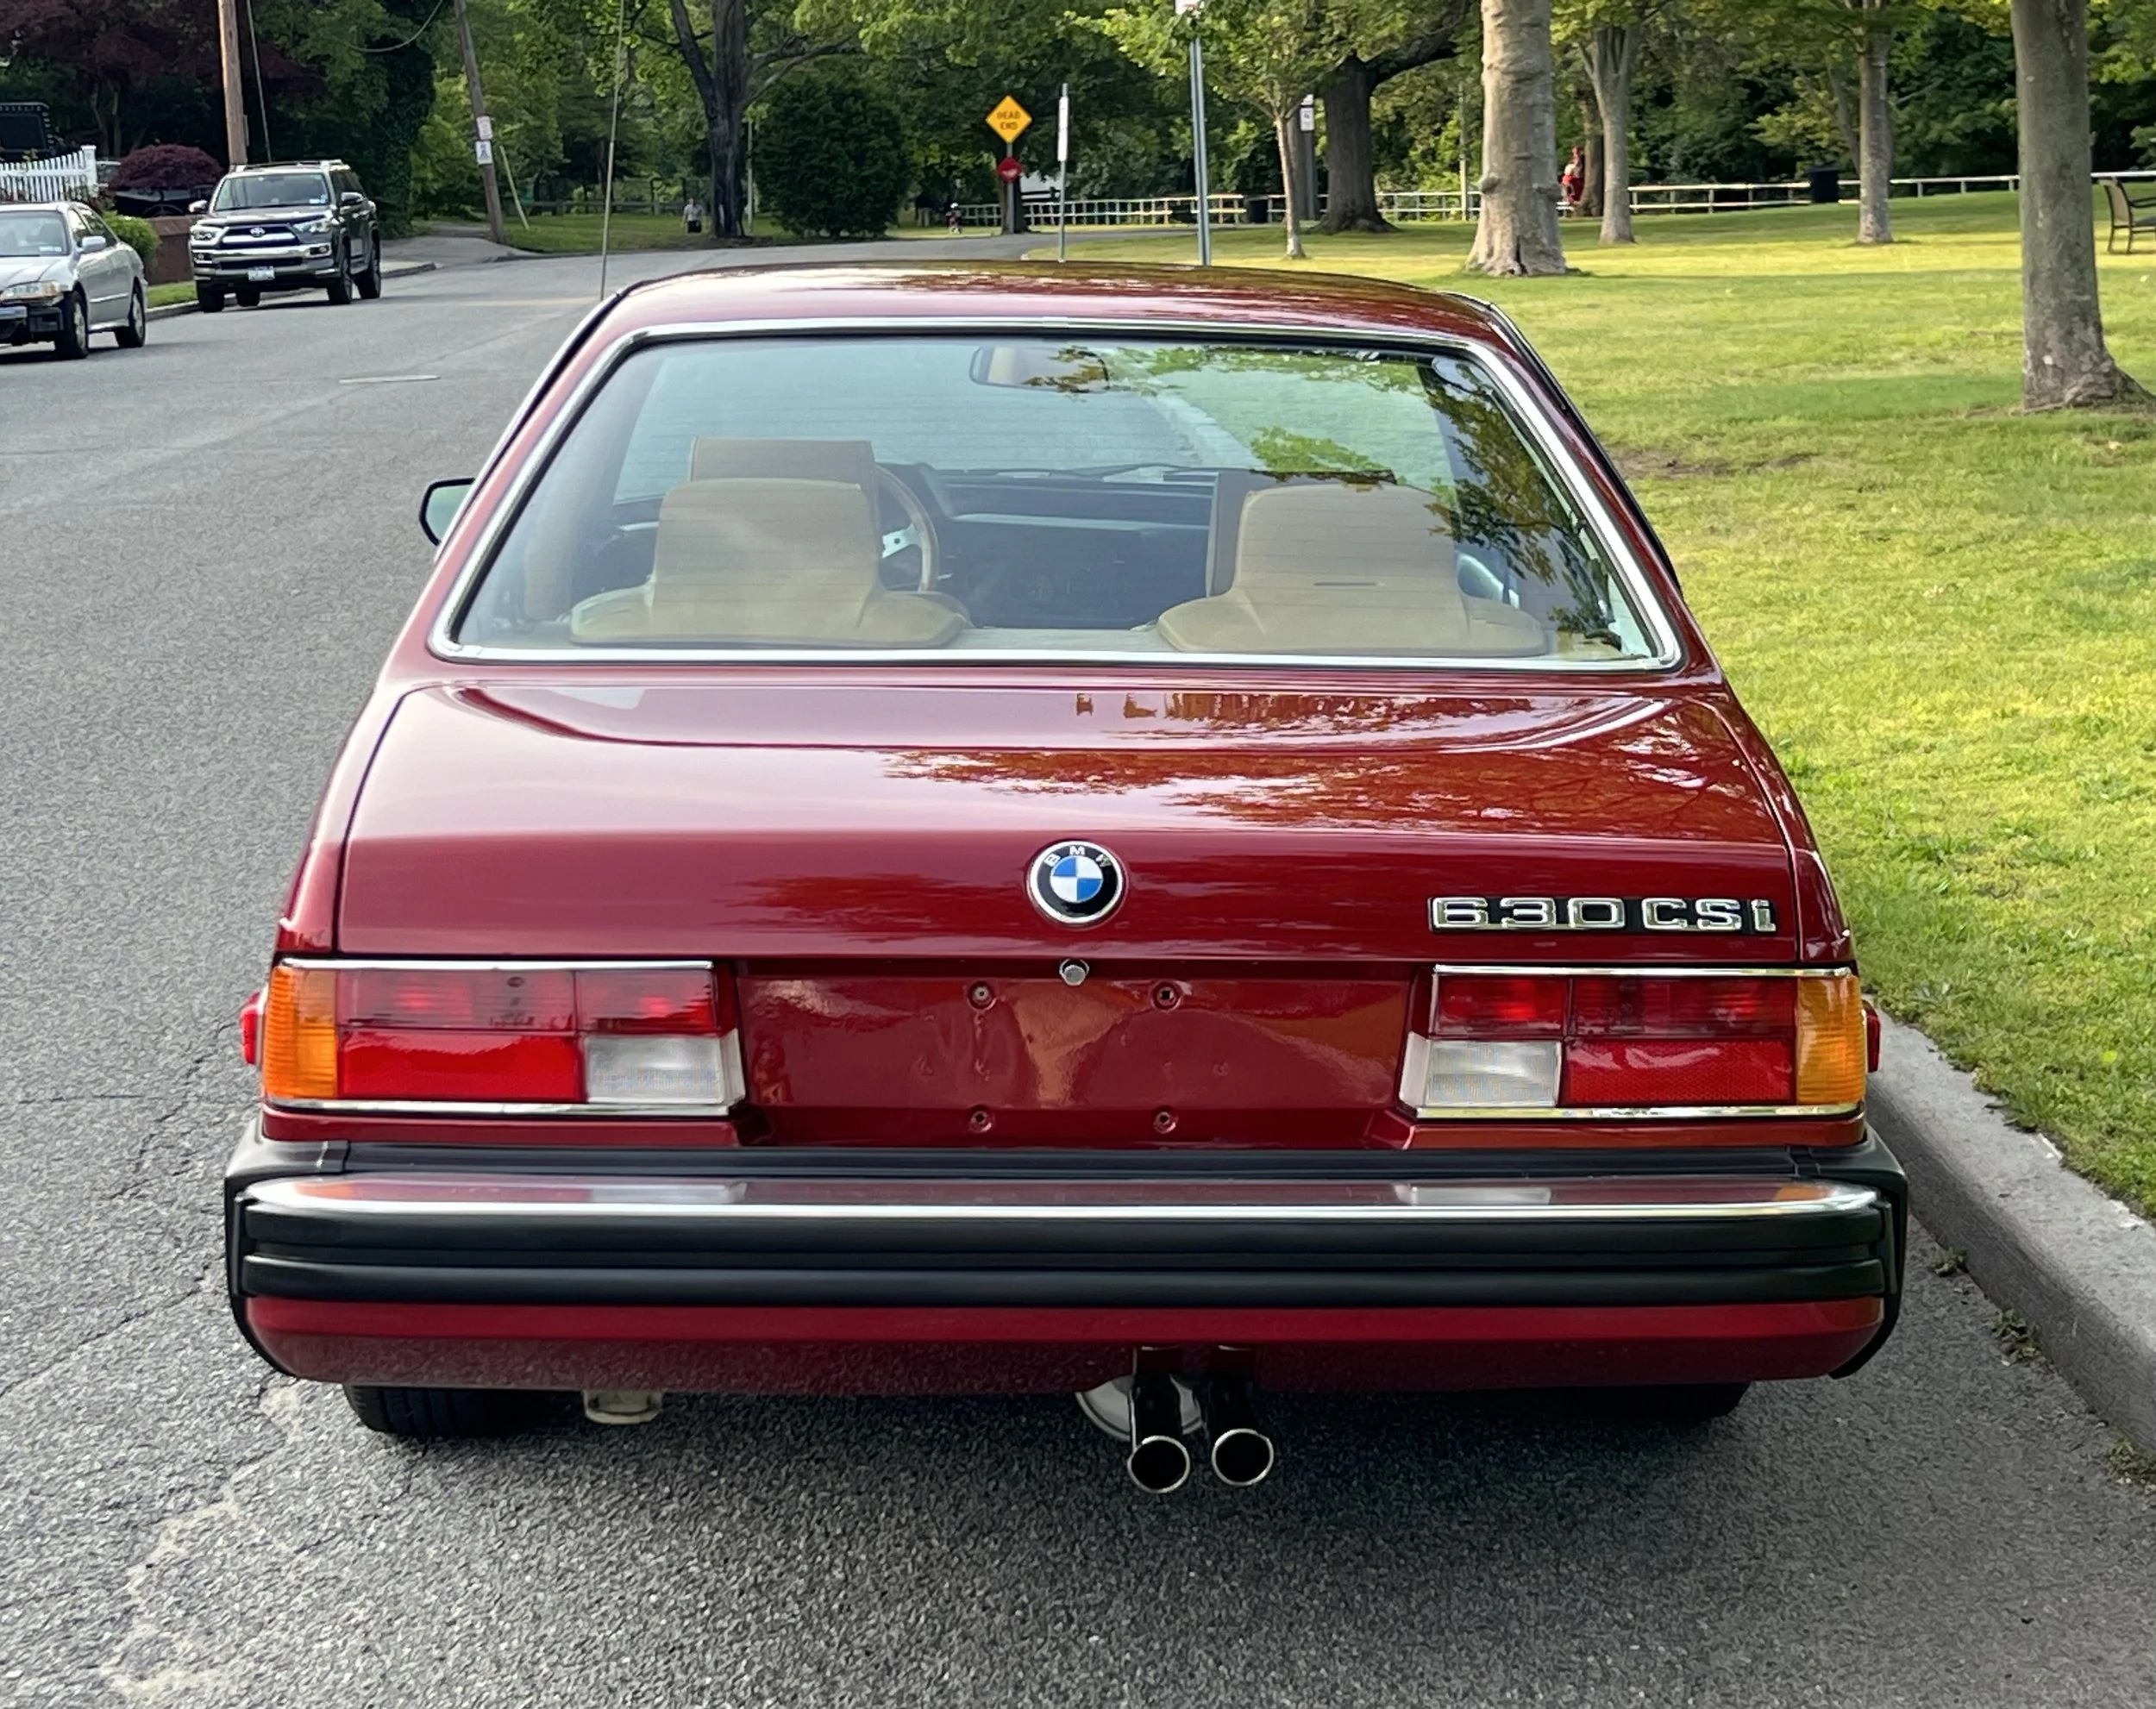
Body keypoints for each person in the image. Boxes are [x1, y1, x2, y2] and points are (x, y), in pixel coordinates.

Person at [1561, 146, 1585, 214]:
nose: (1576, 154)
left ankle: (1575, 206)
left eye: (1577, 152)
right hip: (1571, 181)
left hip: (1577, 181)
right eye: (1574, 153)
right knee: (1568, 196)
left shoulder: (1582, 160)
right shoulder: (1572, 162)